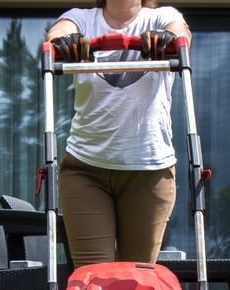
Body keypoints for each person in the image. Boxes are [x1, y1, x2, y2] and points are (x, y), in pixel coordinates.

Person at [46, 0, 191, 267]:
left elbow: (180, 34)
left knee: (137, 278)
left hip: (149, 172)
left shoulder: (161, 18)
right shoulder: (80, 19)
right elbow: (56, 36)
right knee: (93, 277)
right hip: (86, 170)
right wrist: (64, 42)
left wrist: (168, 38)